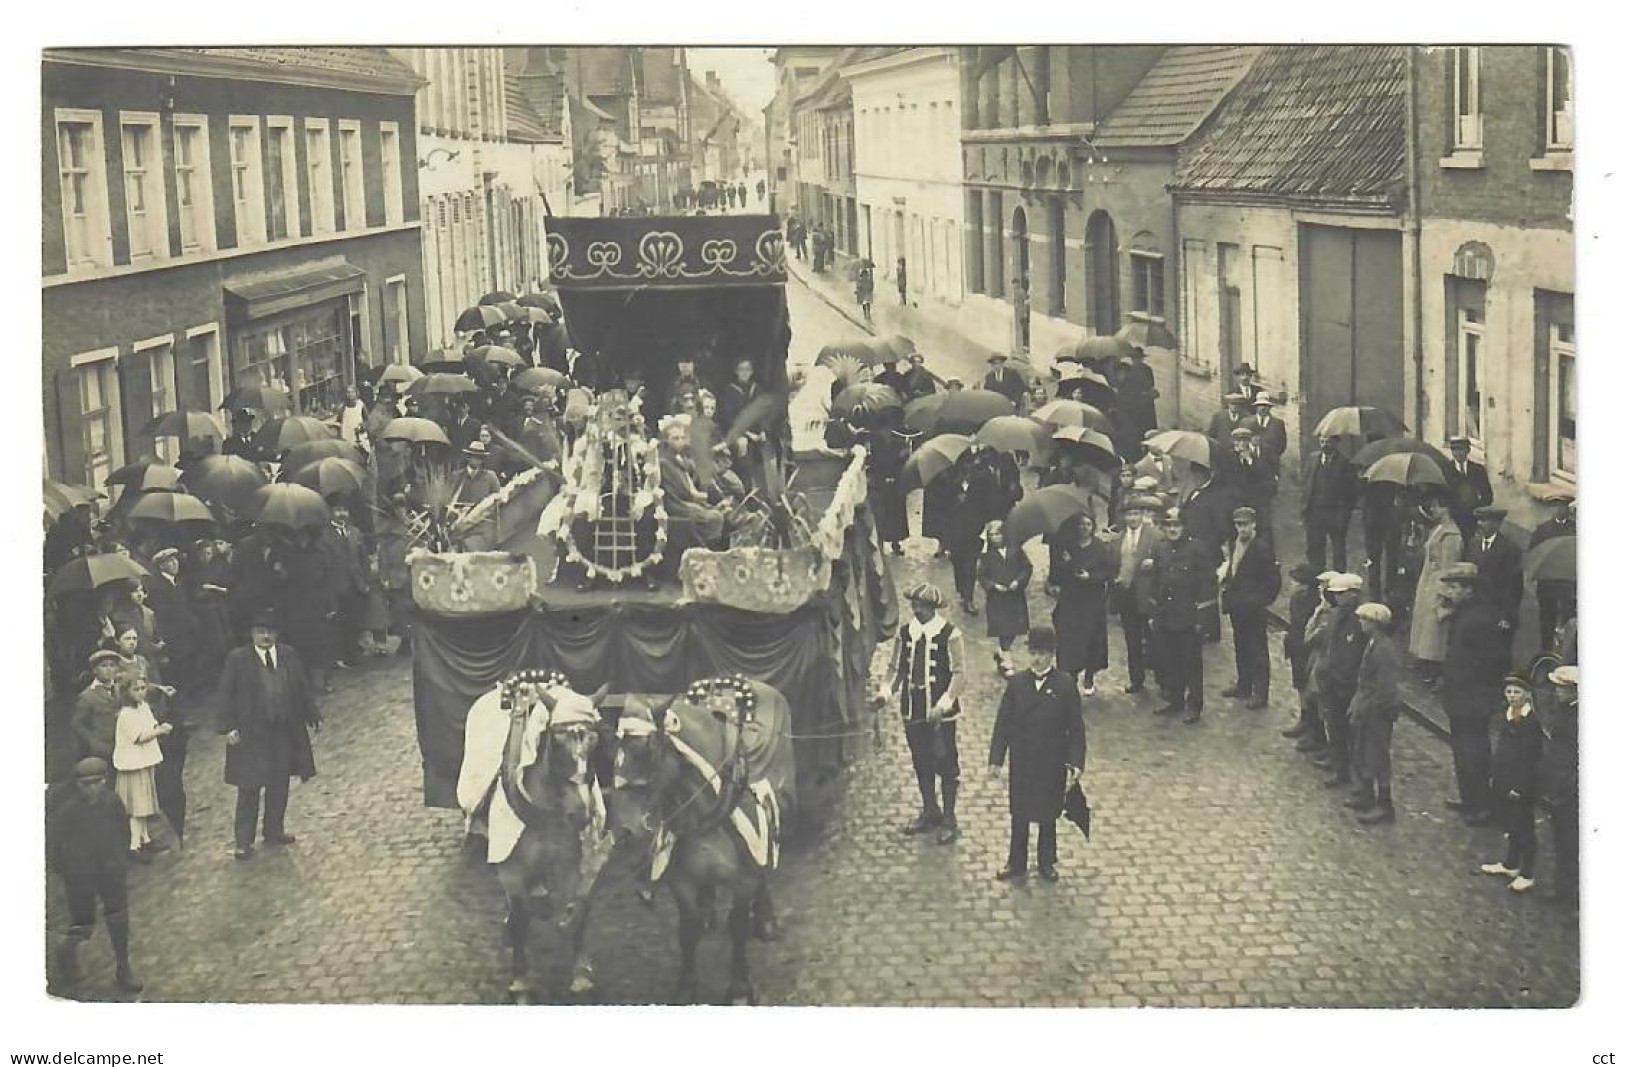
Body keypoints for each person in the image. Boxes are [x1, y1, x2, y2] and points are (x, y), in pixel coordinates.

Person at [214, 610, 322, 860]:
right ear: (252, 634)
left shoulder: (288, 655)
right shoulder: (238, 659)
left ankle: (274, 830)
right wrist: (228, 727)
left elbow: (301, 687)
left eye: (270, 632)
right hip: (251, 733)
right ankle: (243, 841)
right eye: (261, 632)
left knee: (279, 782)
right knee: (249, 786)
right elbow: (225, 694)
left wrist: (312, 715)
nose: (266, 637)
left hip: (283, 730)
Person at [988, 624, 1085, 883]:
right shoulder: (1017, 684)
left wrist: (1076, 762)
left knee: (1048, 813)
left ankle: (1046, 860)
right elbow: (1003, 724)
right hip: (1023, 759)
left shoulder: (1064, 685)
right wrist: (996, 759)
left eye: (1043, 653)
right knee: (1019, 812)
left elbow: (1076, 728)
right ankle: (1016, 861)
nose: (1038, 658)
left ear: (1052, 655)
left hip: (1052, 760)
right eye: (1033, 652)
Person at [46, 757, 143, 993]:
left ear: (104, 781)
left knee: (118, 919)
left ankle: (123, 968)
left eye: (97, 782)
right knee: (83, 924)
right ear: (77, 785)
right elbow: (55, 852)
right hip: (80, 878)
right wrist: (73, 874)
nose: (92, 789)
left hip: (110, 871)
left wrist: (120, 860)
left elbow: (123, 830)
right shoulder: (66, 813)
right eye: (86, 784)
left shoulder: (111, 802)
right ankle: (66, 953)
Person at [888, 583, 966, 845]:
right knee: (921, 760)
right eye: (914, 604)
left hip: (940, 715)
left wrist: (943, 704)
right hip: (913, 709)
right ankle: (930, 810)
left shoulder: (950, 634)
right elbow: (896, 669)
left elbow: (959, 675)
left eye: (921, 606)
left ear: (932, 608)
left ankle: (949, 819)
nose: (915, 609)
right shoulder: (905, 633)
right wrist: (884, 693)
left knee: (946, 764)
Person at [1437, 563, 1507, 827]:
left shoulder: (1479, 619)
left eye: (1454, 587)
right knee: (1464, 750)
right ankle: (1470, 799)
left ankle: (1480, 805)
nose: (1450, 592)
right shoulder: (1467, 613)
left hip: (1472, 696)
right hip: (1462, 694)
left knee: (1473, 752)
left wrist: (1466, 682)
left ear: (1469, 590)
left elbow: (1492, 660)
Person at [1146, 508, 1214, 724]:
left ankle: (1194, 705)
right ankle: (1175, 701)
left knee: (1191, 663)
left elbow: (1207, 584)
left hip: (1189, 616)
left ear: (1184, 527)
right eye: (1169, 526)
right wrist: (1154, 612)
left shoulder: (1197, 549)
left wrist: (1202, 618)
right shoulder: (1161, 548)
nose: (1173, 530)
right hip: (1166, 615)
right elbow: (1156, 581)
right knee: (1170, 660)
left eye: (1177, 526)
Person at [1479, 674, 1544, 895]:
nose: (1512, 696)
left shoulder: (1531, 723)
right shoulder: (1508, 716)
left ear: (1527, 695)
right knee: (1512, 824)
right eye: (1509, 692)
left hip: (1521, 784)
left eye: (1517, 692)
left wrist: (1520, 786)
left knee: (1524, 827)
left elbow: (1530, 759)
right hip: (1505, 780)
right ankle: (1511, 864)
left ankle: (1527, 873)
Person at [1219, 506, 1281, 709]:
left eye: (1245, 524)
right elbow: (1232, 570)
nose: (1242, 529)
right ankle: (1243, 685)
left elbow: (1272, 582)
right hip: (1237, 606)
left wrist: (1258, 601)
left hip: (1252, 609)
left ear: (1254, 525)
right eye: (1238, 525)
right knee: (1240, 646)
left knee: (1257, 650)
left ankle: (1260, 693)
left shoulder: (1262, 548)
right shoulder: (1233, 544)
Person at [1345, 602, 1402, 825]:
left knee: (1378, 755)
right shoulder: (1373, 643)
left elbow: (1386, 686)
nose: (1360, 623)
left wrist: (1371, 709)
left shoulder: (1384, 648)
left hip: (1377, 711)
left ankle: (1384, 804)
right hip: (1367, 706)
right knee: (1364, 751)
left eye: (1364, 619)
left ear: (1375, 623)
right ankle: (1367, 795)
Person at [1311, 573, 1367, 787]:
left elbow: (1355, 656)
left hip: (1348, 684)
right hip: (1332, 682)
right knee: (1335, 728)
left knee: (1352, 733)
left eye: (1342, 594)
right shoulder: (1335, 616)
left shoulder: (1359, 620)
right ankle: (1340, 768)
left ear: (1354, 594)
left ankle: (1353, 774)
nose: (1338, 599)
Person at [1051, 512, 1113, 696]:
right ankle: (1071, 674)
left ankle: (1089, 675)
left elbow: (1108, 573)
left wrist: (1091, 577)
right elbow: (1059, 573)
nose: (1084, 528)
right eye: (1081, 524)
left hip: (1092, 602)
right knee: (1069, 638)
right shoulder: (1069, 546)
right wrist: (1066, 564)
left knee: (1091, 638)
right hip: (1071, 599)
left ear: (1093, 527)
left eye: (1087, 524)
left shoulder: (1100, 548)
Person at [111, 673, 170, 860]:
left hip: (145, 761)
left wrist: (159, 727)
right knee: (137, 807)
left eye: (143, 688)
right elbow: (139, 737)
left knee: (145, 804)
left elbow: (150, 725)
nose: (141, 692)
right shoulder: (126, 714)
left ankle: (145, 839)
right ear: (126, 692)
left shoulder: (143, 707)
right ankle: (134, 845)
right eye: (136, 689)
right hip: (133, 764)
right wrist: (159, 731)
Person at [946, 446, 1010, 614]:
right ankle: (962, 592)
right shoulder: (952, 477)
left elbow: (991, 503)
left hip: (973, 527)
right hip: (954, 525)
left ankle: (968, 598)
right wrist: (956, 500)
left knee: (968, 563)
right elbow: (940, 501)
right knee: (958, 560)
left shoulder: (983, 477)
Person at [1112, 495, 1163, 696]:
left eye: (1136, 514)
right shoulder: (1119, 539)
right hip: (1126, 594)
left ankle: (1163, 681)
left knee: (1154, 639)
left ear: (1142, 515)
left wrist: (1155, 565)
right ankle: (1136, 679)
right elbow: (1114, 563)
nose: (1132, 518)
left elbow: (1165, 562)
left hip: (1147, 595)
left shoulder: (1155, 536)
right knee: (1132, 640)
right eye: (1129, 515)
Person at [1408, 496, 1462, 683]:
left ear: (1446, 509)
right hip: (1427, 580)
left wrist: (1444, 592)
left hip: (1437, 584)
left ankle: (1433, 666)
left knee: (1434, 629)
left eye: (1436, 507)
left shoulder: (1451, 536)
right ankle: (1423, 659)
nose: (1433, 511)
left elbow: (1448, 567)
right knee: (1423, 624)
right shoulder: (1438, 529)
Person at [1541, 665, 1579, 907]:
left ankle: (1574, 901)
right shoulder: (1566, 712)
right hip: (1559, 785)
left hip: (1569, 789)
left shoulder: (1578, 719)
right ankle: (1562, 892)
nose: (1556, 692)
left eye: (1561, 688)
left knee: (1572, 845)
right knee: (1562, 841)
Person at [1463, 506, 1523, 638]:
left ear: (1496, 523)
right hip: (1475, 612)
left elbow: (1514, 587)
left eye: (1484, 520)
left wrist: (1507, 617)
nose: (1479, 524)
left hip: (1498, 614)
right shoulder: (1473, 545)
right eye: (1479, 520)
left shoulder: (1510, 549)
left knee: (1497, 654)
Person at [1280, 564, 1324, 742]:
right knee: (1300, 685)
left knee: (1309, 688)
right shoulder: (1297, 598)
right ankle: (1304, 720)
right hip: (1297, 647)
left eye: (1295, 581)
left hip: (1307, 649)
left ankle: (1312, 726)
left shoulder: (1312, 602)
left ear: (1304, 585)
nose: (1291, 584)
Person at [1528, 494, 1576, 652]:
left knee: (1568, 620)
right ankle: (1546, 651)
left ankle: (1566, 653)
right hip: (1547, 583)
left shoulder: (1575, 529)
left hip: (1568, 583)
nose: (1560, 509)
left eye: (1563, 506)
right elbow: (1533, 553)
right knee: (1547, 620)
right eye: (1556, 506)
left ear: (1568, 508)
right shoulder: (1542, 530)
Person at [1303, 434, 1356, 572]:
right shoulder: (1312, 459)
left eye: (1328, 441)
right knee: (1315, 548)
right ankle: (1316, 579)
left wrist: (1344, 516)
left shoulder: (1345, 463)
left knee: (1338, 550)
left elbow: (1350, 494)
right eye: (1322, 441)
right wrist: (1306, 508)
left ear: (1336, 442)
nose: (1324, 444)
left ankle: (1338, 582)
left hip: (1335, 514)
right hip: (1315, 512)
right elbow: (1307, 483)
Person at [978, 520, 1031, 653]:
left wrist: (1018, 582)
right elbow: (982, 576)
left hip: (1015, 596)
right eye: (992, 535)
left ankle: (1003, 652)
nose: (995, 538)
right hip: (997, 598)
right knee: (1003, 630)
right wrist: (994, 586)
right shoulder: (986, 556)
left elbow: (1026, 568)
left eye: (998, 534)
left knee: (1014, 628)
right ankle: (1005, 656)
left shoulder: (1015, 549)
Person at [73, 649, 124, 765]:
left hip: (121, 743)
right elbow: (78, 725)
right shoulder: (87, 696)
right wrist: (94, 743)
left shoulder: (119, 689)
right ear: (95, 670)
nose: (109, 669)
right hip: (102, 748)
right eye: (104, 666)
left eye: (112, 665)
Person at [1442, 436, 1494, 537]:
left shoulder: (1478, 470)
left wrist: (1478, 511)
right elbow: (1442, 495)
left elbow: (1488, 495)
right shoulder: (1445, 470)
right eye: (1455, 450)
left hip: (1473, 519)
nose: (1458, 453)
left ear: (1468, 450)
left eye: (1461, 449)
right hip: (1453, 519)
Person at [1114, 349, 1159, 462]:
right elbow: (1129, 392)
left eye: (1139, 358)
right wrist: (1142, 394)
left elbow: (1151, 386)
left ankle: (1148, 451)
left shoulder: (1147, 370)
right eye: (1135, 359)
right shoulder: (1129, 372)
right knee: (1136, 431)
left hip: (1147, 406)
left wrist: (1150, 393)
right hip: (1135, 407)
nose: (1137, 361)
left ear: (1142, 359)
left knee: (1148, 430)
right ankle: (1136, 453)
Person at [1247, 394, 1287, 463]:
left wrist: (1273, 455)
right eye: (1260, 405)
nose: (1262, 408)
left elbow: (1282, 445)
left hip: (1271, 462)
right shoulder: (1247, 422)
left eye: (1265, 405)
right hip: (1251, 462)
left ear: (1269, 407)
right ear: (1256, 407)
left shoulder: (1277, 424)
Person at [1011, 276, 1031, 354]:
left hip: (1023, 313)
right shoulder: (1015, 292)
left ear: (1017, 284)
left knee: (1025, 329)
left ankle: (1027, 346)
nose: (1013, 286)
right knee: (1023, 329)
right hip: (1019, 313)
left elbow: (1026, 302)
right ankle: (1024, 345)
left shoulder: (1021, 292)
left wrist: (1025, 313)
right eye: (1013, 285)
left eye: (1014, 284)